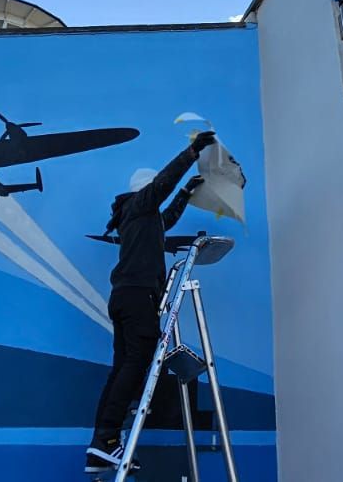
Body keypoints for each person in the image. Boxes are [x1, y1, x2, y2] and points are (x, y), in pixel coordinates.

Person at [84, 130, 216, 475]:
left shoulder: (141, 218)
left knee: (123, 368)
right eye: (152, 194)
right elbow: (162, 185)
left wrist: (186, 194)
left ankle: (102, 445)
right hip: (138, 296)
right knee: (135, 363)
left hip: (125, 296)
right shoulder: (141, 204)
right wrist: (191, 154)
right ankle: (108, 440)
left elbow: (166, 219)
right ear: (144, 193)